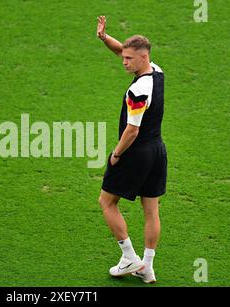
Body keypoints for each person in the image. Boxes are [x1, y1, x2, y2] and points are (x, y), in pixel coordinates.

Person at [96, 16, 167, 284]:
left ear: (143, 56)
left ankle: (128, 257)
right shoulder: (156, 72)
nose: (124, 61)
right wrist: (105, 38)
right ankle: (147, 267)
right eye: (123, 57)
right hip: (157, 151)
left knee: (107, 202)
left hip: (135, 153)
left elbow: (132, 130)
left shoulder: (138, 90)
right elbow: (121, 50)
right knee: (151, 210)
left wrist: (116, 154)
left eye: (128, 59)